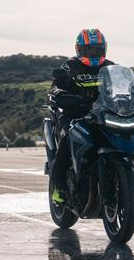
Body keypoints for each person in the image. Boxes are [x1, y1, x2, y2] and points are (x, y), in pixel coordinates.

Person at [49, 28, 114, 201]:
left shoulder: (110, 66)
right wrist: (59, 94)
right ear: (80, 49)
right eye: (90, 50)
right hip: (74, 114)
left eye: (98, 50)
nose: (94, 53)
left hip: (103, 113)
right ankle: (59, 186)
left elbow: (125, 87)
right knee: (67, 138)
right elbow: (56, 86)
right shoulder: (70, 66)